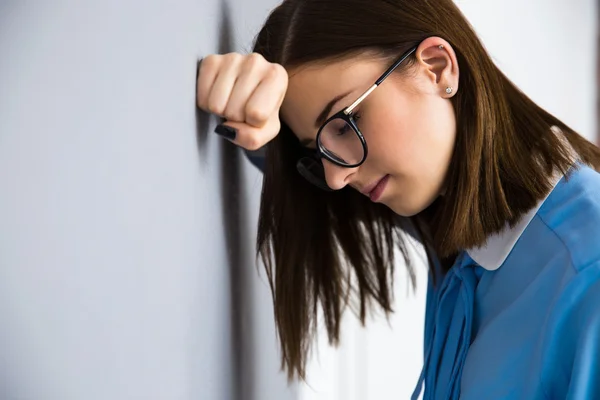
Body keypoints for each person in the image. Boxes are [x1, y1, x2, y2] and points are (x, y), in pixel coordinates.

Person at [196, 0, 600, 398]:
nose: (336, 179)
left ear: (437, 68)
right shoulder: (469, 227)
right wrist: (253, 113)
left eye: (345, 123)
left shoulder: (587, 271)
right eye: (316, 152)